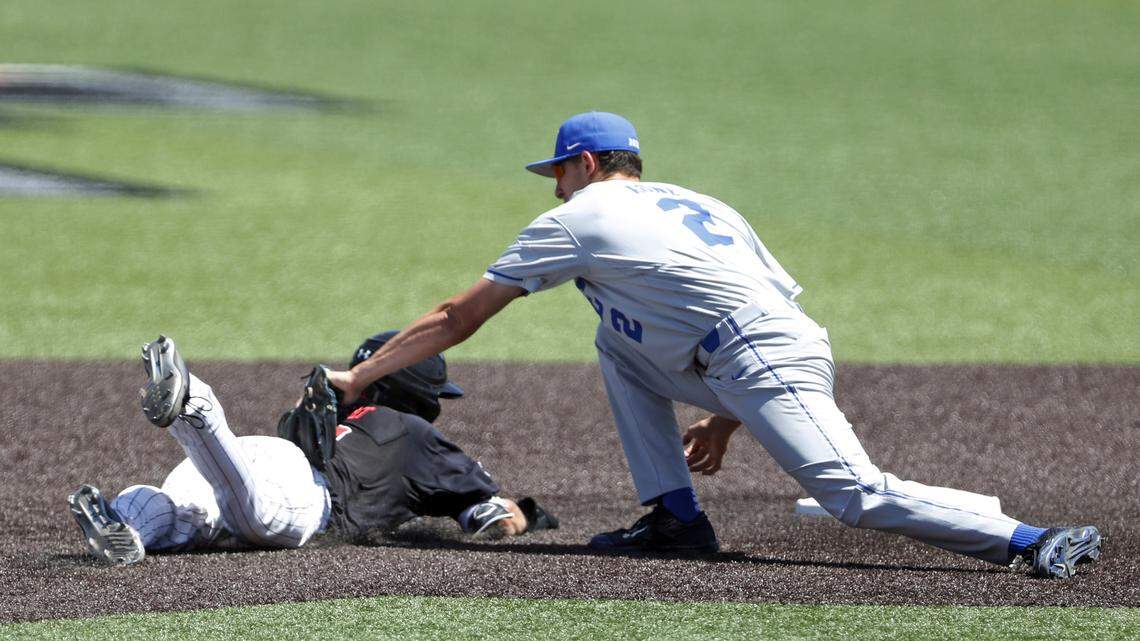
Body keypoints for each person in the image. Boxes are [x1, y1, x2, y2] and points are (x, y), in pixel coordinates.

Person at [325, 111, 1101, 579]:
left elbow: (460, 316)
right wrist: (725, 417)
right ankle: (674, 515)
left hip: (759, 358)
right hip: (766, 347)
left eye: (557, 172)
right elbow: (764, 301)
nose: (553, 187)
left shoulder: (581, 215)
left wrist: (362, 373)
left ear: (586, 165)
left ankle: (1031, 539)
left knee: (854, 495)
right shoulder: (701, 203)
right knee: (616, 339)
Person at [68, 334, 557, 565]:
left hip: (257, 453)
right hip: (303, 488)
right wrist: (525, 515)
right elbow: (492, 517)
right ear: (418, 394)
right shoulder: (414, 431)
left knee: (187, 512)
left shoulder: (339, 416)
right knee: (254, 516)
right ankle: (196, 403)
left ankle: (126, 525)